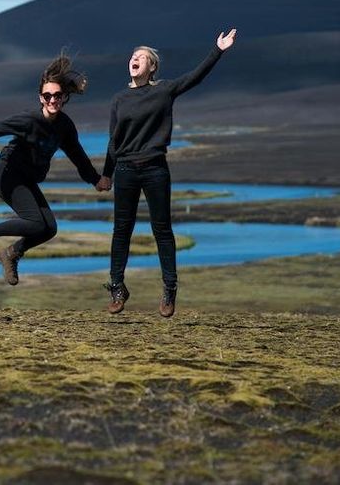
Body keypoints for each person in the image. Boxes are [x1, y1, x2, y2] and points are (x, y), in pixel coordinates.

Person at [100, 29, 237, 317]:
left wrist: (218, 50)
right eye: (133, 56)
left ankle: (169, 289)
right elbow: (113, 140)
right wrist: (107, 174)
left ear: (152, 67)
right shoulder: (119, 99)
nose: (135, 59)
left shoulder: (164, 90)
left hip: (154, 168)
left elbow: (195, 77)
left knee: (161, 230)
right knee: (121, 231)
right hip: (125, 169)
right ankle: (116, 286)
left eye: (142, 58)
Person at [0, 53, 109, 285]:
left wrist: (95, 180)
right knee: (35, 222)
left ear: (64, 97)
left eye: (57, 95)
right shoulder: (29, 120)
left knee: (49, 228)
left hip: (27, 179)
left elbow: (78, 156)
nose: (52, 100)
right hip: (8, 175)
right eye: (47, 96)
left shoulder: (64, 126)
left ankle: (10, 253)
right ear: (40, 98)